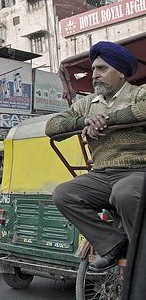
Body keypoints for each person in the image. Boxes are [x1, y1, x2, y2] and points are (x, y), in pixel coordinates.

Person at [47, 41, 146, 272]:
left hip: (138, 170)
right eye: (93, 70)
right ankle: (113, 244)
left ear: (121, 72)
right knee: (64, 194)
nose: (94, 75)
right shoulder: (87, 103)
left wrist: (106, 121)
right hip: (101, 174)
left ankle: (139, 255)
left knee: (124, 192)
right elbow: (52, 126)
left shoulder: (139, 92)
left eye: (102, 69)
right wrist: (84, 121)